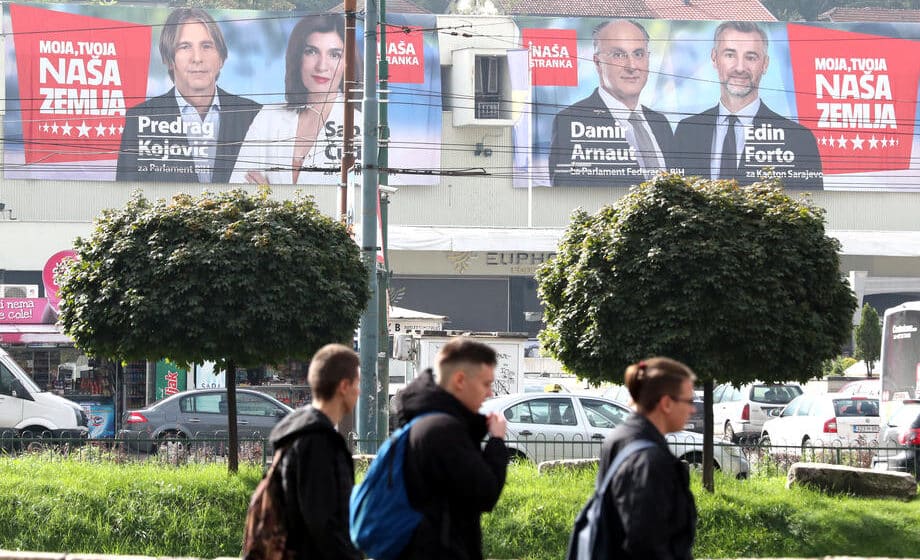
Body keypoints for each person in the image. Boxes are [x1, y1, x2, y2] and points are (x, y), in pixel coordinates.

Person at [393, 337, 508, 560]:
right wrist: (496, 440)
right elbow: (486, 493)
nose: (490, 393)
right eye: (486, 384)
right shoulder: (444, 431)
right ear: (460, 380)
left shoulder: (425, 420)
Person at [116, 8, 261, 183]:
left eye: (206, 46)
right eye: (185, 47)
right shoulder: (139, 119)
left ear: (221, 58)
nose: (197, 58)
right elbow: (125, 194)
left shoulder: (254, 115)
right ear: (169, 59)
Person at [673, 21, 823, 190]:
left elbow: (811, 201)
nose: (740, 68)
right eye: (730, 55)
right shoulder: (686, 131)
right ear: (714, 58)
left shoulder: (799, 139)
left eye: (750, 57)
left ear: (765, 64)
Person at [230, 14, 360, 185]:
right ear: (297, 57)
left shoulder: (361, 125)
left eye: (334, 55)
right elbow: (238, 189)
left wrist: (269, 195)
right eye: (311, 51)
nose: (322, 66)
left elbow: (369, 193)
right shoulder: (268, 116)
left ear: (348, 64)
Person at [549, 19, 674, 187]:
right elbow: (566, 191)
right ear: (597, 62)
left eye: (638, 54)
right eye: (618, 55)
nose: (632, 66)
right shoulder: (571, 120)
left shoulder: (660, 123)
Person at [267, 343, 362, 559]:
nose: (359, 391)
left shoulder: (299, 433)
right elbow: (323, 525)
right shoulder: (317, 442)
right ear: (344, 386)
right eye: (357, 384)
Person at [597, 357, 698, 559]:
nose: (693, 409)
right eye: (689, 401)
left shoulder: (620, 437)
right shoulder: (650, 461)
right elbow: (646, 544)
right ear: (666, 403)